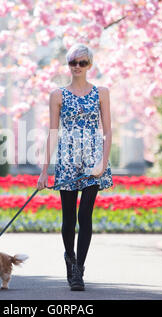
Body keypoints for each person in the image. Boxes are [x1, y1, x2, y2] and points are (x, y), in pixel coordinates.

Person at [37, 43, 113, 291]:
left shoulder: (101, 92)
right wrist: (44, 170)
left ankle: (79, 269)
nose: (77, 67)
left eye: (82, 63)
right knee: (68, 218)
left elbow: (108, 130)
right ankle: (69, 261)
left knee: (85, 215)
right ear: (68, 65)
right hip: (68, 160)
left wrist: (103, 161)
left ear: (89, 65)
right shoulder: (57, 95)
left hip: (93, 160)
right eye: (73, 63)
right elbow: (52, 133)